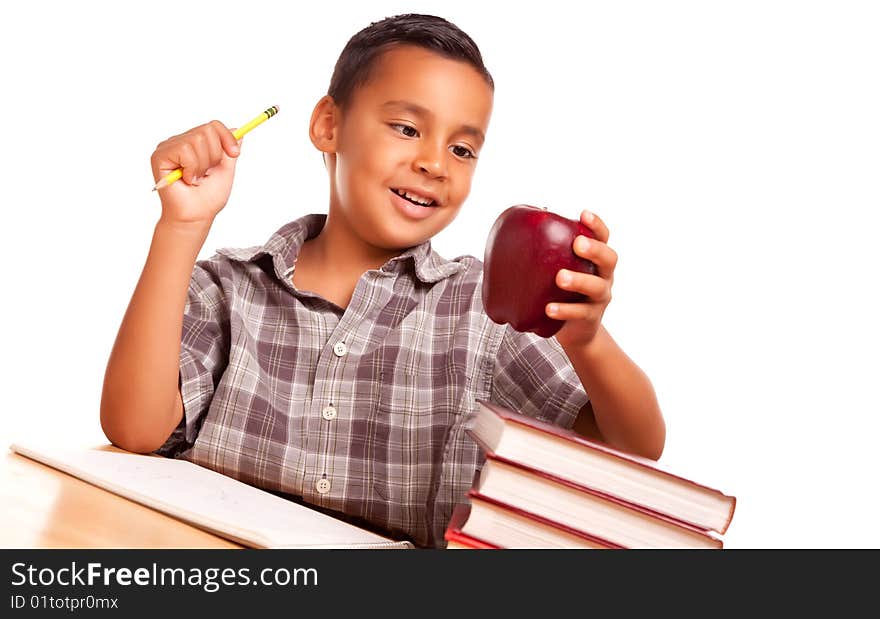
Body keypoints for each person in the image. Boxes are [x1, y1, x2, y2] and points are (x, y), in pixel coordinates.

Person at [100, 13, 665, 548]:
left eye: (462, 148)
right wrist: (183, 226)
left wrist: (585, 339)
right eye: (406, 127)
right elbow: (135, 429)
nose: (434, 163)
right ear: (328, 125)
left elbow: (633, 450)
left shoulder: (481, 310)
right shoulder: (229, 287)